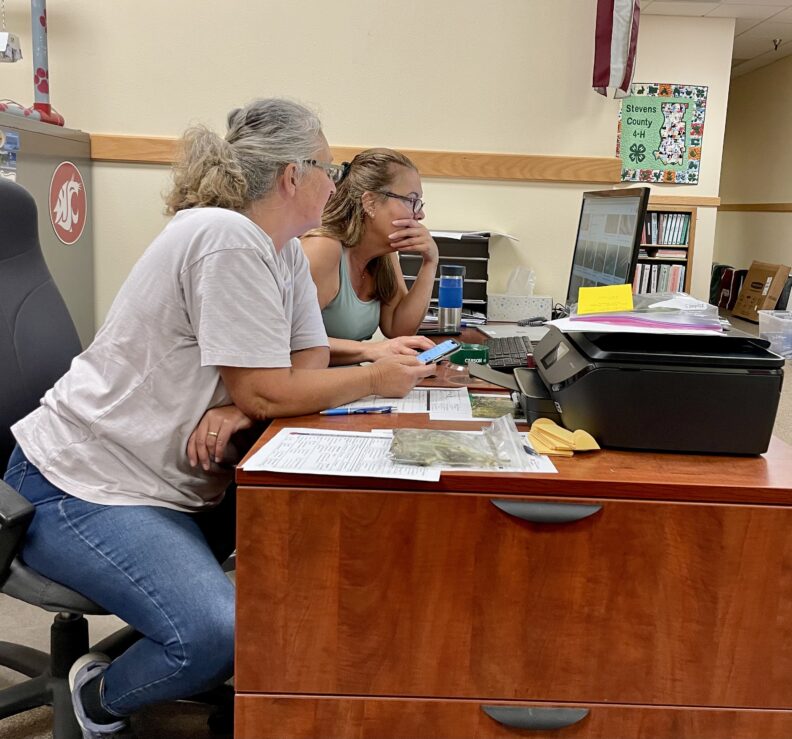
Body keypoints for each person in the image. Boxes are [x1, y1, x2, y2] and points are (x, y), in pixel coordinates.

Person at [2, 98, 434, 739]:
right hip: (78, 485)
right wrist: (370, 377)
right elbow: (273, 387)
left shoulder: (280, 247)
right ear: (293, 175)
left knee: (310, 535)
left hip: (159, 479)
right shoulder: (223, 236)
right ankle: (99, 699)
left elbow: (305, 355)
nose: (336, 181)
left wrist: (242, 399)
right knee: (216, 632)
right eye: (330, 166)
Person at [301, 148, 439, 366]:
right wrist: (370, 350)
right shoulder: (323, 249)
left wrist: (430, 263)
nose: (420, 214)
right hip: (308, 385)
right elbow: (293, 341)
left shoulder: (385, 254)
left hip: (347, 383)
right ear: (371, 203)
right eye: (411, 200)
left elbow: (398, 329)